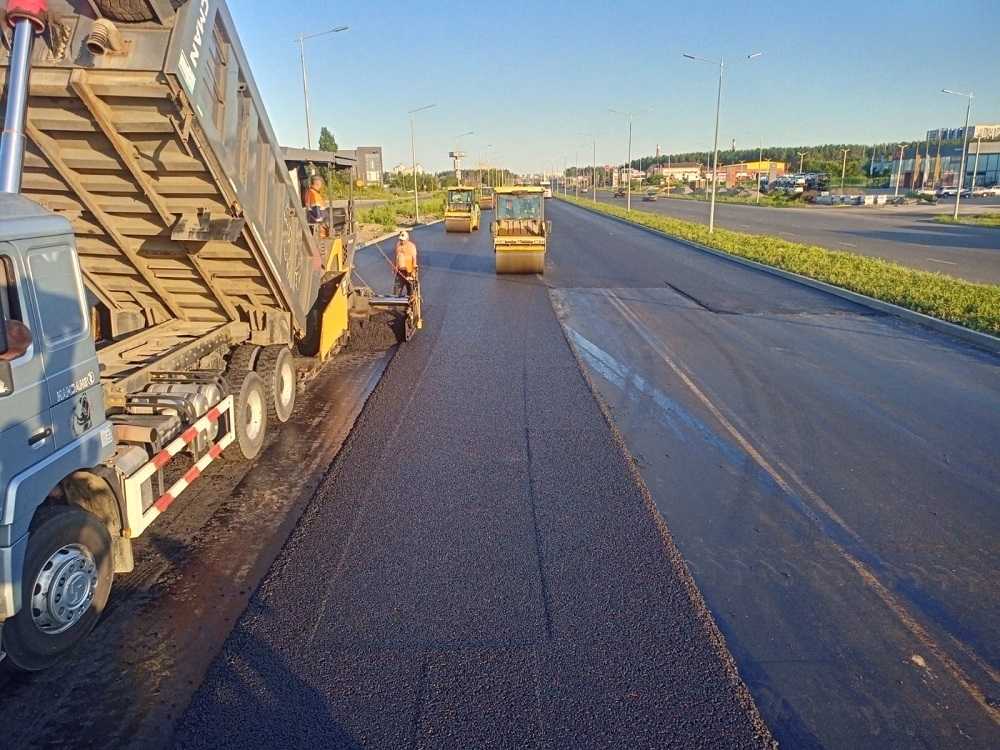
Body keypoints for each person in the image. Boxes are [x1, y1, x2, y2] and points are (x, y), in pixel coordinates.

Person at [393, 230, 418, 298]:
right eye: (400, 239)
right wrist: (395, 266)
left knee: (410, 291)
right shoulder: (398, 245)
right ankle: (395, 305)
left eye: (403, 240)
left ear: (407, 239)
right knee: (396, 291)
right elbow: (397, 256)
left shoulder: (412, 246)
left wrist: (413, 272)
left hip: (409, 272)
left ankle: (409, 306)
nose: (401, 241)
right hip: (400, 272)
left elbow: (414, 259)